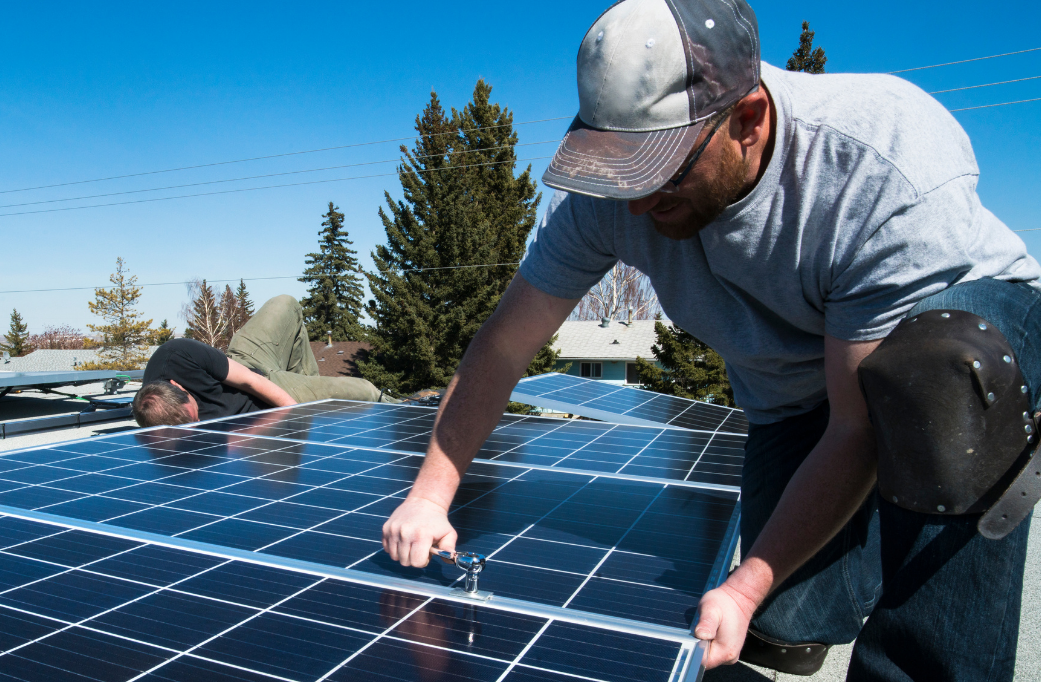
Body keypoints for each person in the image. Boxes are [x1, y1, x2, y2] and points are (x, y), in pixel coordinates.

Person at [378, 0, 1040, 679]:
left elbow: (855, 429)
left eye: (659, 170)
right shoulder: (606, 198)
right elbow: (504, 348)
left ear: (747, 120)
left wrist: (744, 582)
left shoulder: (875, 157)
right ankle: (870, 532)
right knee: (788, 624)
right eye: (621, 168)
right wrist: (431, 494)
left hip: (961, 345)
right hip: (794, 393)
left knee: (946, 376)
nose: (634, 204)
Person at [133, 295, 394, 426]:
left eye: (194, 414)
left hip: (252, 371)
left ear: (178, 387)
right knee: (364, 391)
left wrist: (300, 419)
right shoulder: (160, 424)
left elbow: (249, 380)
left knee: (287, 303)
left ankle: (306, 386)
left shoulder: (177, 354)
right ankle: (415, 406)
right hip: (261, 412)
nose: (198, 423)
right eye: (192, 426)